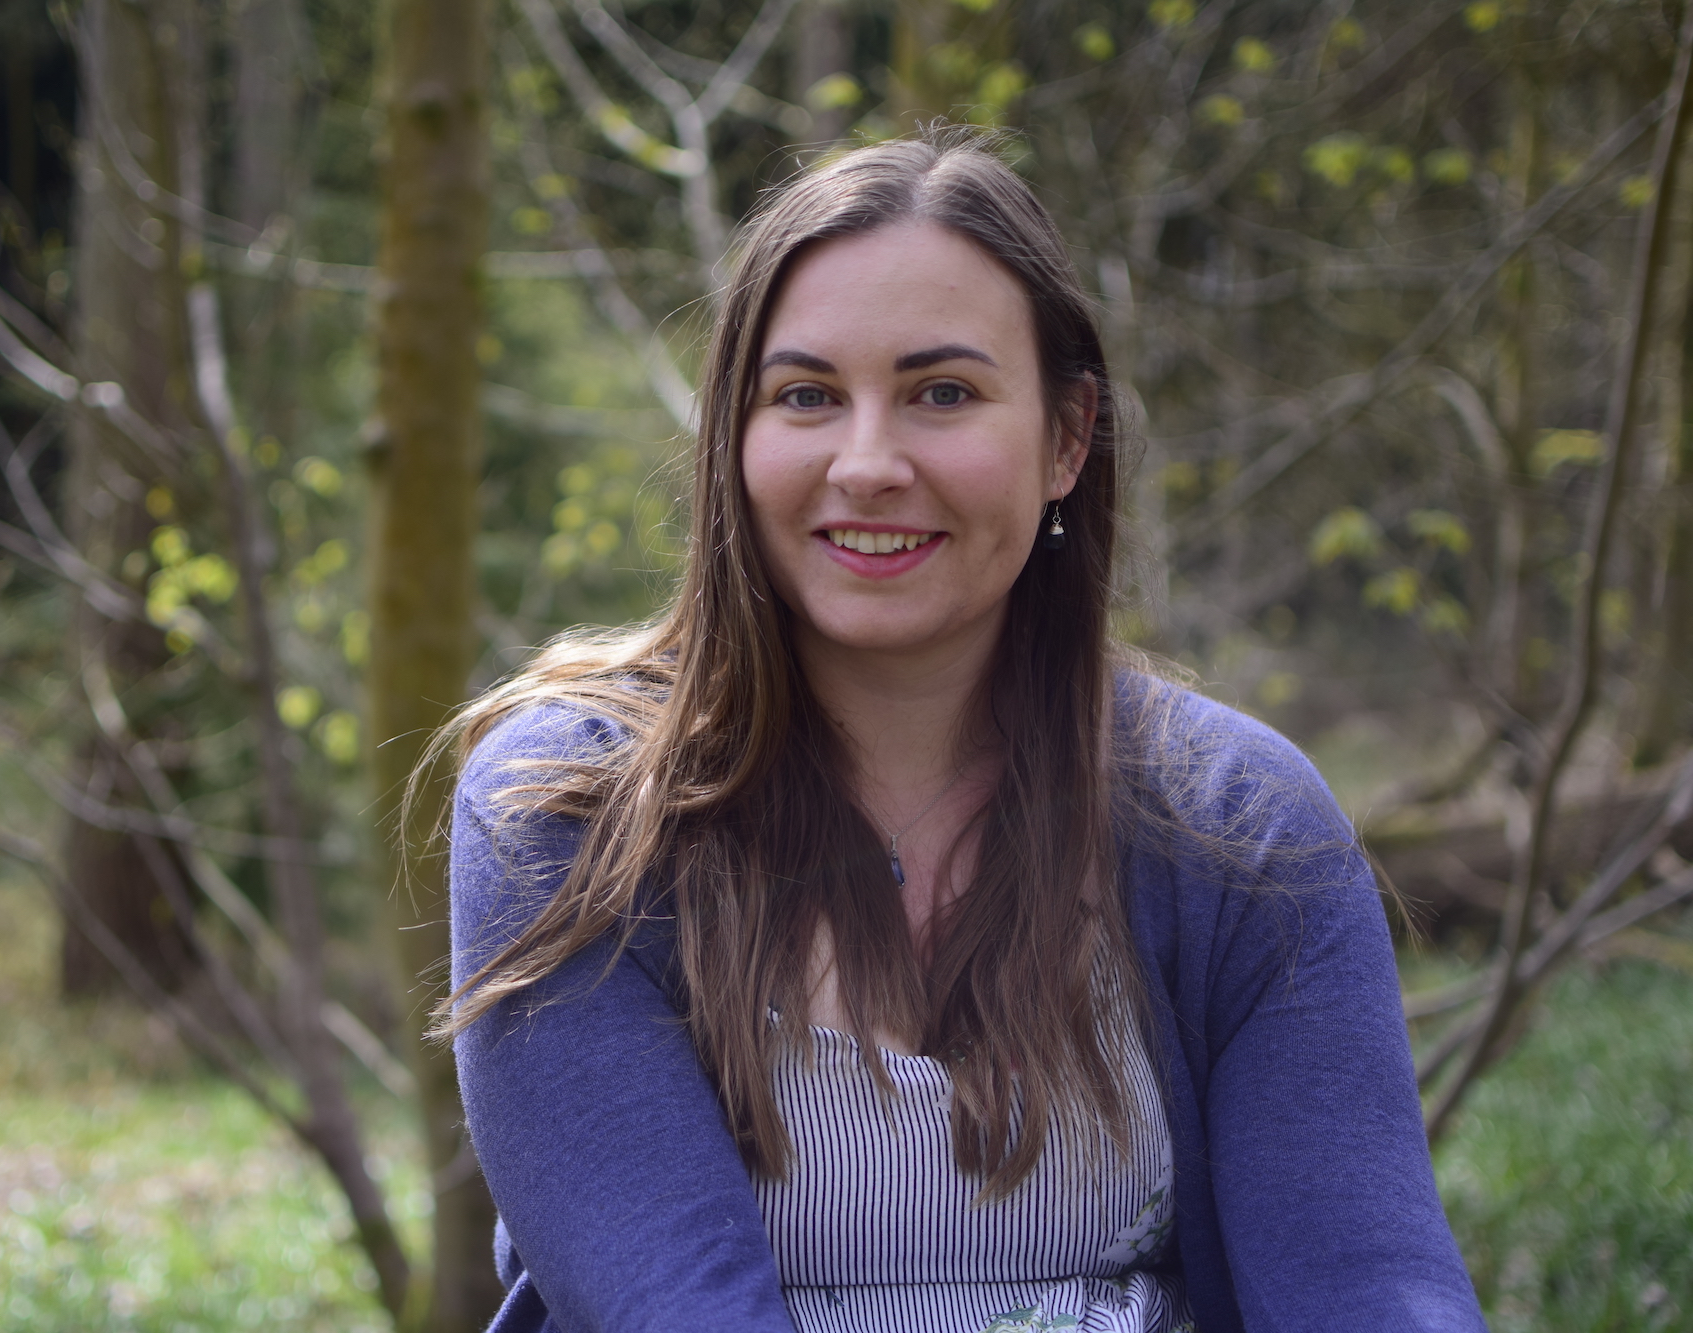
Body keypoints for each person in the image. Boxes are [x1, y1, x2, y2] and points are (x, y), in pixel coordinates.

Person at [436, 133, 1487, 1333]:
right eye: (806, 396)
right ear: (734, 438)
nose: (867, 462)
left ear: (1065, 439)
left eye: (942, 393)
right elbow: (666, 1306)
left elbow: (1367, 1285)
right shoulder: (567, 812)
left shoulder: (1236, 825)